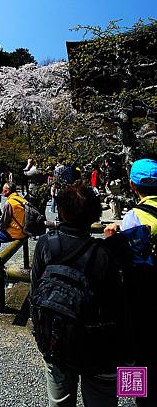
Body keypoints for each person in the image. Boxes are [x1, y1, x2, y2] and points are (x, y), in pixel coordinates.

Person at [31, 183, 131, 407]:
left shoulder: (47, 244)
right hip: (97, 349)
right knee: (102, 399)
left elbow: (35, 291)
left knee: (59, 401)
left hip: (55, 338)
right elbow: (118, 308)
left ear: (62, 212)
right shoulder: (105, 254)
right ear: (95, 215)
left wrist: (41, 335)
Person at [104, 158, 157, 406]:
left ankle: (137, 396)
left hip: (141, 293)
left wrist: (112, 237)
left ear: (133, 186)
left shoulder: (134, 216)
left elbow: (119, 258)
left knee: (134, 348)